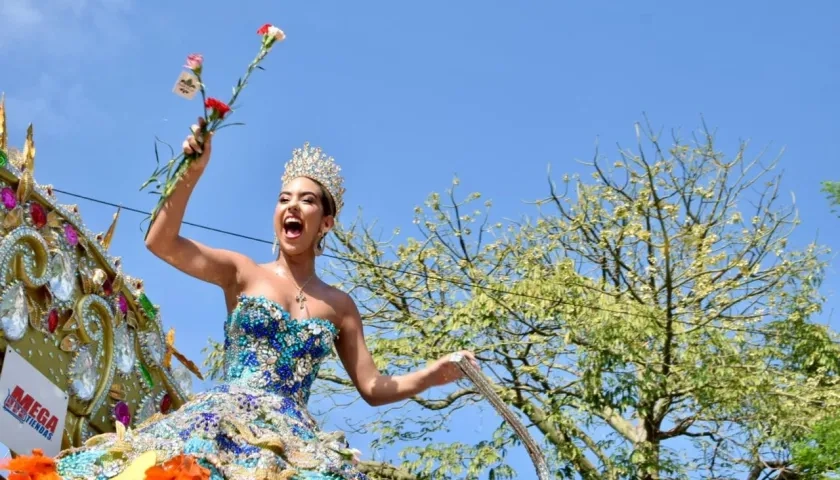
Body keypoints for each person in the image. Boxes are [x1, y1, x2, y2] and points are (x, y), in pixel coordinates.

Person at [50, 119, 477, 479]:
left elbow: (371, 386)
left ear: (325, 222)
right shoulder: (242, 272)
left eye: (307, 201)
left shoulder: (340, 306)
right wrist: (191, 172)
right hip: (224, 424)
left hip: (294, 444)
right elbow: (161, 242)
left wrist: (432, 374)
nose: (292, 207)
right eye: (284, 198)